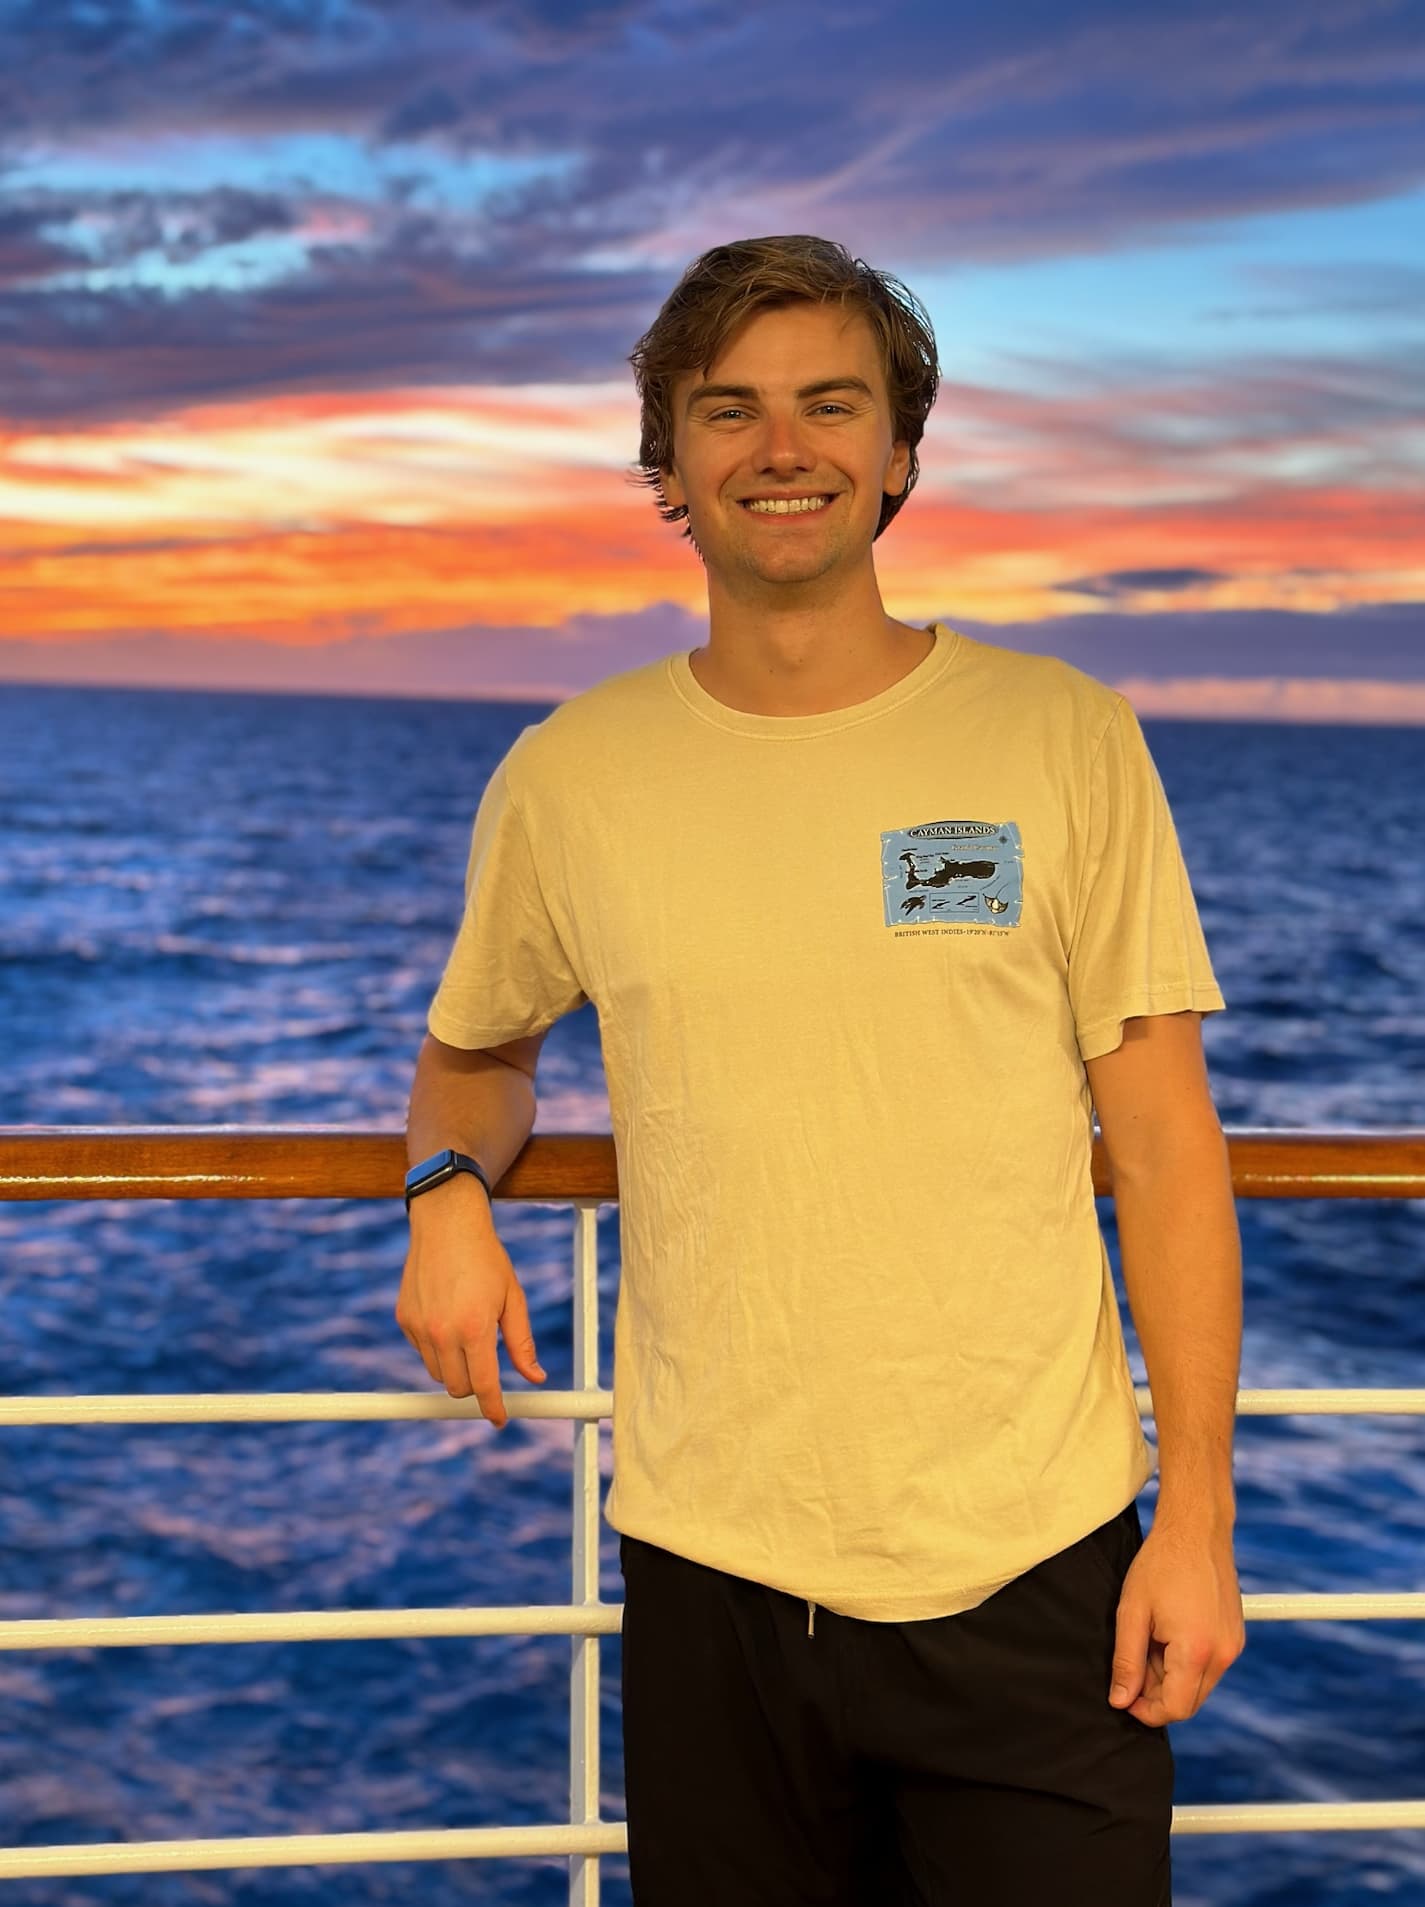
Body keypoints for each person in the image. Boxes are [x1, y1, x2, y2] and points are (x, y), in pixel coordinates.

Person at [395, 235, 1247, 1906]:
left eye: (827, 405)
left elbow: (1159, 1142)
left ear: (898, 454)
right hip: (713, 1574)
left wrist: (1198, 1517)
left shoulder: (1063, 738)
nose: (780, 449)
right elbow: (474, 1057)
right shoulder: (572, 775)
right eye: (728, 411)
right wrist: (442, 1197)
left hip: (1034, 1572)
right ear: (669, 466)